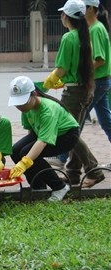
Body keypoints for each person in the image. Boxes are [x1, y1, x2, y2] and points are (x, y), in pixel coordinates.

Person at [43, 0, 105, 187]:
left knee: (69, 134)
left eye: (63, 14)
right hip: (85, 90)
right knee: (74, 130)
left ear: (66, 17)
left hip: (73, 94)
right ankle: (73, 174)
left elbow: (61, 69)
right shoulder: (84, 36)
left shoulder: (69, 38)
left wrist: (48, 82)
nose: (62, 16)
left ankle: (94, 169)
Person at [9, 76, 80, 201]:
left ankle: (60, 187)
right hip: (41, 132)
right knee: (16, 151)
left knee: (27, 154)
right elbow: (31, 131)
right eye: (17, 103)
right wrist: (26, 157)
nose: (20, 106)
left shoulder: (48, 111)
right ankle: (38, 187)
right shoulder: (26, 108)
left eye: (23, 102)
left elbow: (42, 141)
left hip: (66, 136)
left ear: (34, 94)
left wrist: (25, 162)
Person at [83, 0, 111, 166]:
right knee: (106, 121)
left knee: (76, 120)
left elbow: (99, 60)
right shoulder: (95, 28)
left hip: (98, 81)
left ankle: (63, 157)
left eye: (84, 8)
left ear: (92, 9)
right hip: (102, 80)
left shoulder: (96, 29)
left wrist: (82, 72)